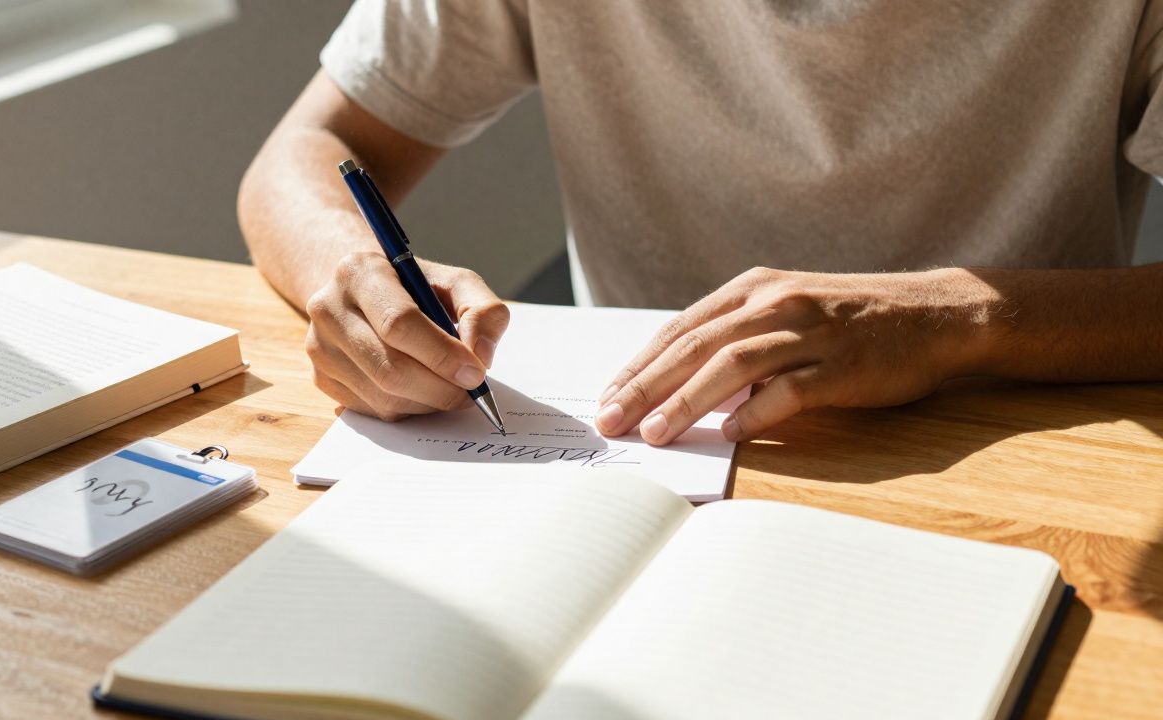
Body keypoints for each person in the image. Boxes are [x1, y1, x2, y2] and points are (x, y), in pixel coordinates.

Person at [239, 1, 1163, 447]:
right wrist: (352, 272)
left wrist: (956, 319)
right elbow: (309, 149)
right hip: (640, 455)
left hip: (1024, 449)